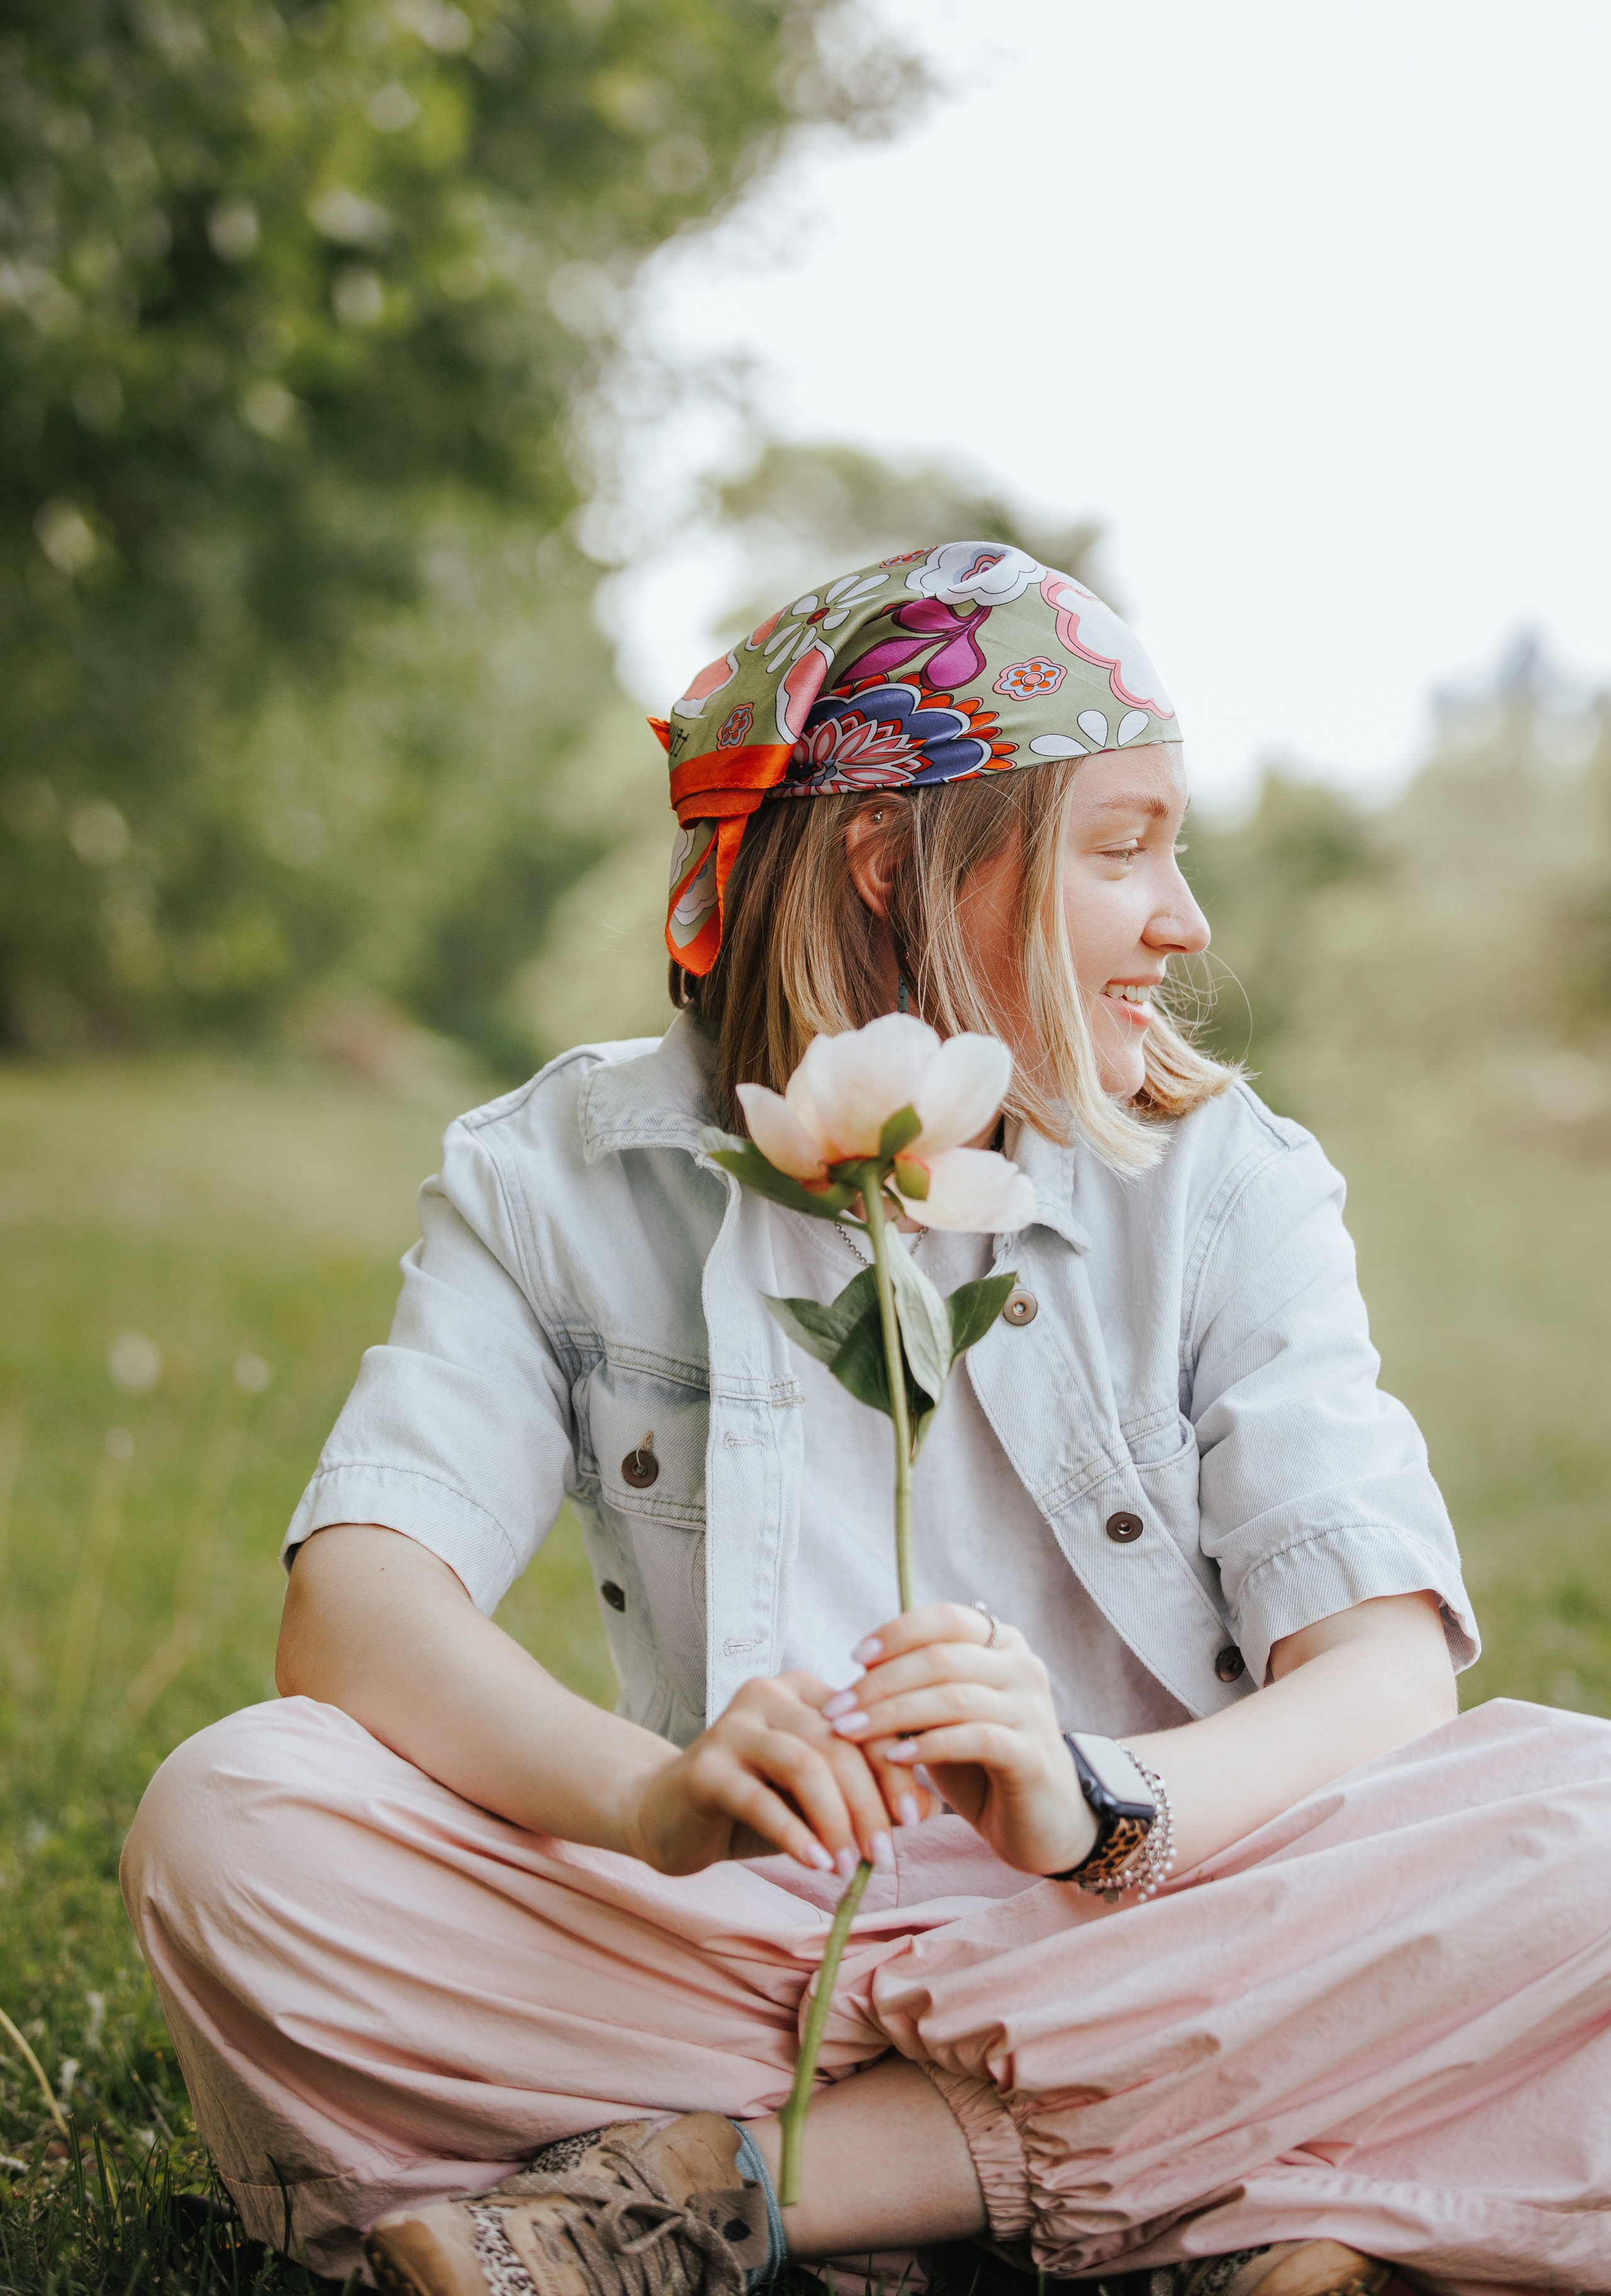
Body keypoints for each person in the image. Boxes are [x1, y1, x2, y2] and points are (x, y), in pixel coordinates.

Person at [122, 544, 1611, 2296]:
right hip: (755, 1941)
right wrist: (652, 1801)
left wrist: (1095, 1799)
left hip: (1184, 1901)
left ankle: (740, 2193)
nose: (1186, 920)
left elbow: (1381, 1676)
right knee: (231, 1822)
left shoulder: (1229, 1183)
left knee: (1581, 1831)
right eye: (1120, 848)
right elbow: (359, 1598)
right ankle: (1234, 2175)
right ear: (890, 862)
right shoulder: (553, 1174)